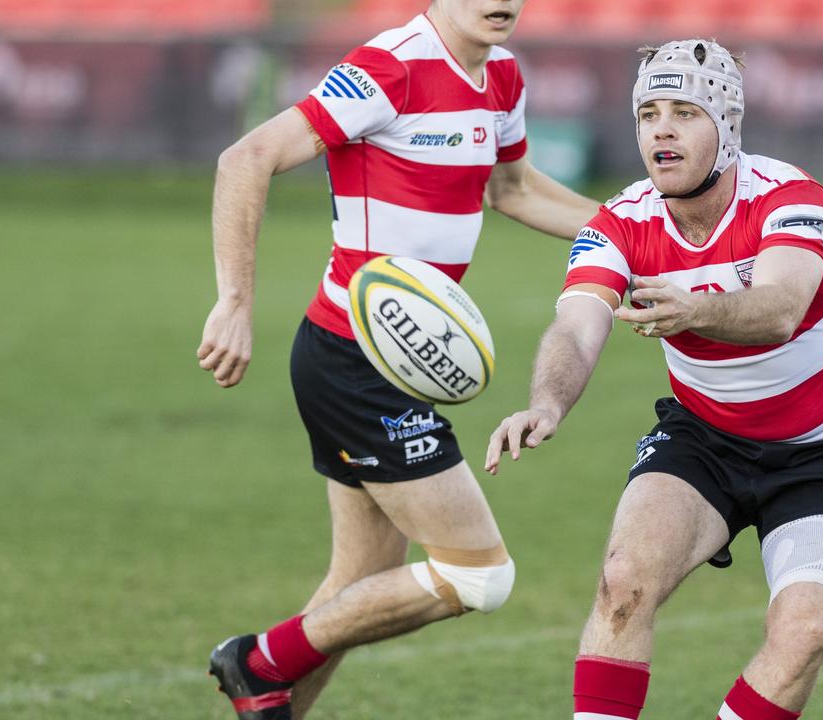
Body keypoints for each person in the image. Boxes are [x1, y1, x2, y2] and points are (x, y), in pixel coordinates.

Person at [195, 1, 599, 718]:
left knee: (359, 586)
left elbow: (515, 190)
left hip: (397, 360)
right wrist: (234, 302)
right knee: (480, 576)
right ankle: (256, 662)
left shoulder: (501, 76)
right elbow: (245, 157)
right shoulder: (390, 66)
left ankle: (268, 690)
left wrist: (627, 242)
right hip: (351, 362)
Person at [486, 39, 823, 720]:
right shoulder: (620, 222)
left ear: (727, 126)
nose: (661, 129)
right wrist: (545, 403)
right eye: (647, 114)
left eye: (684, 112)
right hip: (703, 440)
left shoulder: (792, 199)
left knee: (805, 629)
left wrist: (695, 307)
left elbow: (781, 309)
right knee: (622, 586)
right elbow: (579, 325)